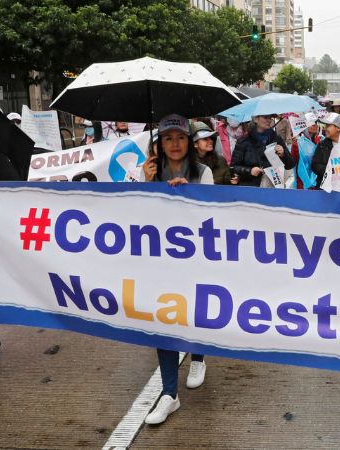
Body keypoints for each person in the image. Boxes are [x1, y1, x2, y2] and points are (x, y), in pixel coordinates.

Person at [141, 114, 212, 425]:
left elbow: (211, 218)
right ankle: (169, 393)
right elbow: (133, 215)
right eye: (167, 138)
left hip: (196, 262)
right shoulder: (149, 171)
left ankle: (198, 356)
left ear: (189, 142)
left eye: (180, 137)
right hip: (160, 261)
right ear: (159, 143)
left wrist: (189, 197)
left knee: (195, 313)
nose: (174, 144)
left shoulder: (203, 173)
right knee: (164, 319)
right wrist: (146, 184)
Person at [229, 114, 294, 187]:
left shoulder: (276, 139)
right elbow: (233, 167)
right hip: (251, 187)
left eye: (270, 117)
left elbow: (290, 165)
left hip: (273, 187)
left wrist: (283, 154)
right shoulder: (244, 141)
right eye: (265, 117)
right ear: (256, 119)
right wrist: (249, 171)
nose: (269, 120)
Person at [311, 112, 340, 189]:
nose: (325, 128)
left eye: (328, 126)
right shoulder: (322, 145)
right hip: (325, 189)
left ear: (338, 128)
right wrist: (333, 171)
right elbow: (315, 165)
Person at [190, 121, 234, 185]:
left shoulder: (220, 160)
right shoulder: (188, 163)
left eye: (211, 138)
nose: (210, 141)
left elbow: (229, 183)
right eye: (205, 139)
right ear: (195, 144)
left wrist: (234, 180)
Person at [292, 112, 322, 189]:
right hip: (303, 180)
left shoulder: (321, 139)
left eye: (316, 123)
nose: (315, 125)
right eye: (312, 123)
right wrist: (295, 146)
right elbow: (295, 159)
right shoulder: (299, 141)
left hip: (318, 178)